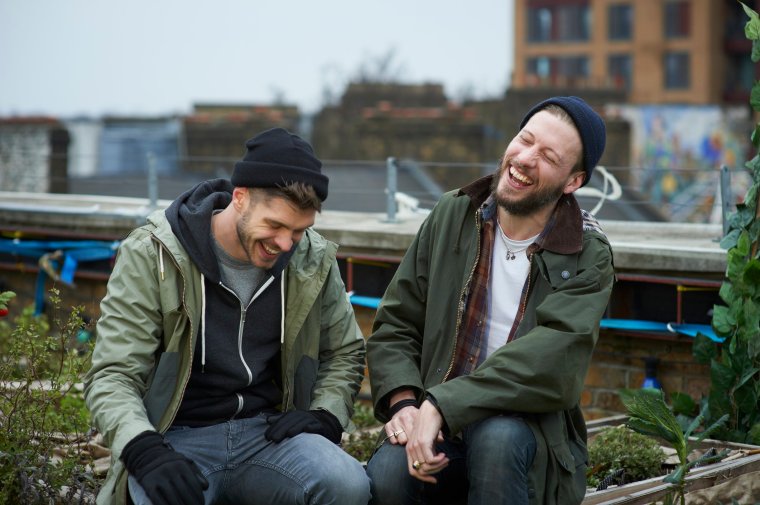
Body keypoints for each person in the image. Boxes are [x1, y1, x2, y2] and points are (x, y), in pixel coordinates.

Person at [84, 128, 370, 505]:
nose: (285, 244)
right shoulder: (153, 253)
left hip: (269, 436)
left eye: (299, 231)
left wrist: (326, 414)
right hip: (175, 438)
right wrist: (144, 450)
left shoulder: (311, 259)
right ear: (240, 198)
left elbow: (345, 351)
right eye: (275, 225)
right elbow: (113, 373)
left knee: (348, 484)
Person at [365, 96, 615, 505]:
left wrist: (442, 405)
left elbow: (553, 364)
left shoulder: (588, 254)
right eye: (525, 139)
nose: (526, 158)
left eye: (548, 156)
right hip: (437, 419)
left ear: (572, 182)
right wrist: (406, 402)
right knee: (390, 472)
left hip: (524, 435)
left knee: (496, 440)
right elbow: (397, 322)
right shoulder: (453, 213)